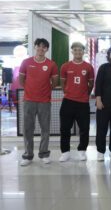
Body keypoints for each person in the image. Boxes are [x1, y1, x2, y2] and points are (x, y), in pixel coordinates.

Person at [19, 38, 59, 166]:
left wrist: (45, 91)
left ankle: (44, 154)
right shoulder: (26, 62)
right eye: (39, 46)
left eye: (44, 47)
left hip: (44, 102)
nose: (41, 49)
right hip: (29, 101)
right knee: (27, 129)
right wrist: (30, 90)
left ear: (47, 49)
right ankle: (28, 155)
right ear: (35, 47)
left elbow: (54, 82)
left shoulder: (51, 64)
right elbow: (22, 80)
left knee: (45, 129)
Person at [59, 42, 95, 162]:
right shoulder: (65, 66)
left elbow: (91, 84)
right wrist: (68, 93)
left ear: (83, 51)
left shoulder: (89, 67)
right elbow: (63, 84)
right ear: (72, 51)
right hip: (68, 102)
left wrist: (85, 94)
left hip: (83, 103)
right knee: (65, 128)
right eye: (75, 50)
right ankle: (65, 152)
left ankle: (82, 151)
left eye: (80, 50)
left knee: (84, 128)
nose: (78, 52)